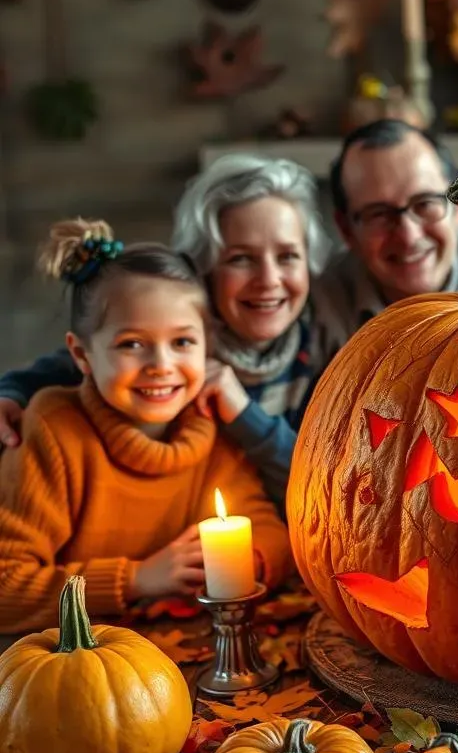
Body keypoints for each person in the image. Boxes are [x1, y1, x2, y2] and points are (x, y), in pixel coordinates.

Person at [0, 219, 293, 632]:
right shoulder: (53, 429)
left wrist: (246, 559)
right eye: (132, 344)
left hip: (180, 649)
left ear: (208, 346)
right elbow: (6, 585)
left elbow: (273, 534)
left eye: (182, 342)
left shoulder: (207, 424)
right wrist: (136, 578)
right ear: (81, 356)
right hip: (73, 665)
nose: (161, 366)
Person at [0, 155, 338, 505]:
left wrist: (243, 415)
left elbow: (325, 497)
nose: (269, 280)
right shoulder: (173, 352)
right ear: (202, 268)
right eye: (241, 258)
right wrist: (10, 393)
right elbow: (77, 361)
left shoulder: (322, 359)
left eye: (288, 257)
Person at [315, 118, 458, 340]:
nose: (408, 236)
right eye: (378, 214)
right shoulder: (318, 310)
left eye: (424, 204)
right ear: (347, 230)